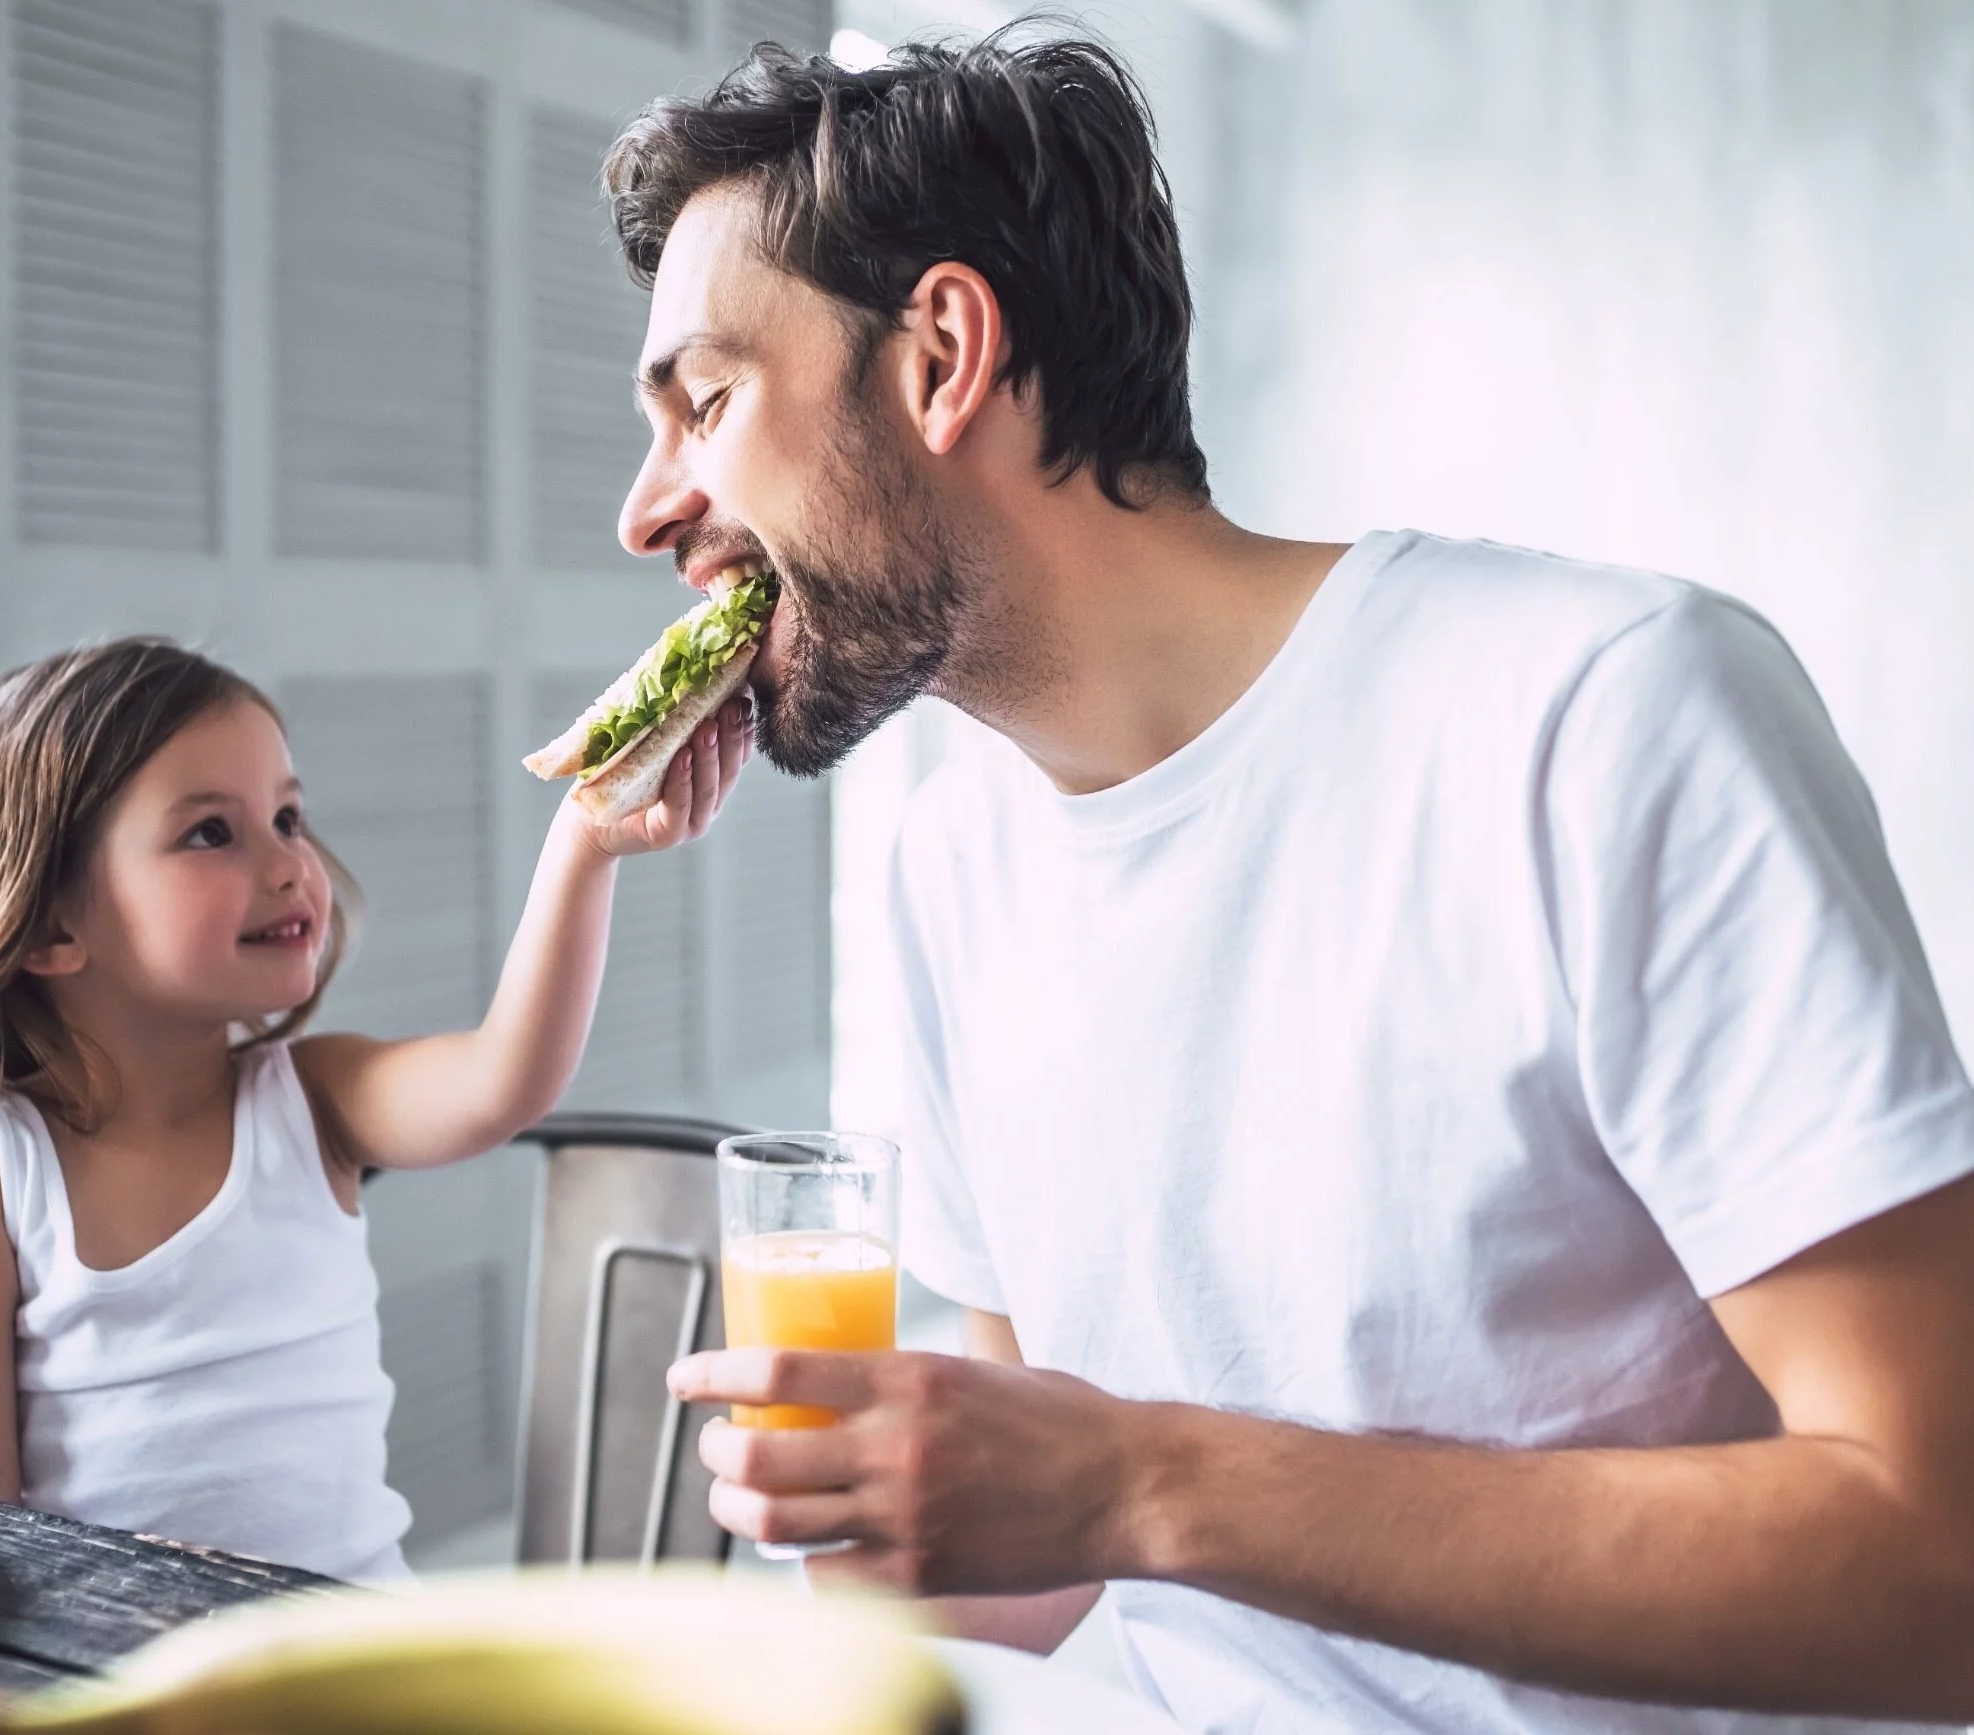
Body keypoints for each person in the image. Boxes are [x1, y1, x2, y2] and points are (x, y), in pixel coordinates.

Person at [619, 35, 1974, 1733]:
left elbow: (1936, 1568)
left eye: (704, 401)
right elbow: (1030, 1571)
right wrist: (877, 1501)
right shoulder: (952, 871)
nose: (645, 510)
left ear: (943, 355)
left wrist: (1139, 1481)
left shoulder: (1600, 710)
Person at [0, 638, 748, 1583]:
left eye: (288, 816)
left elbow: (505, 1077)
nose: (291, 864)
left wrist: (586, 841)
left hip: (358, 1661)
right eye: (211, 831)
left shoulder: (313, 1099)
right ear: (52, 924)